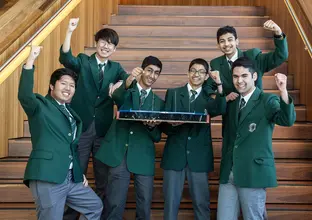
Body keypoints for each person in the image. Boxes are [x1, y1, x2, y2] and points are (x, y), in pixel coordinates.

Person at [59, 18, 133, 219]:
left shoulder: (115, 68)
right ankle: (70, 216)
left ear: (114, 49)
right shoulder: (83, 61)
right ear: (97, 42)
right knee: (76, 176)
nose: (106, 46)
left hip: (103, 131)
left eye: (111, 44)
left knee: (102, 179)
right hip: (82, 129)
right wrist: (69, 31)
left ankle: (96, 215)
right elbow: (66, 58)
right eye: (103, 41)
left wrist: (121, 85)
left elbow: (128, 84)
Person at [18, 46, 103, 220]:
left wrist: (79, 173)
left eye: (72, 85)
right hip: (47, 176)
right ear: (51, 86)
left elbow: (71, 148)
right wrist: (30, 61)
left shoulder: (72, 114)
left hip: (71, 178)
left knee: (95, 206)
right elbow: (25, 95)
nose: (68, 88)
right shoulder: (40, 106)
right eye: (63, 83)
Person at [217, 57, 296, 220]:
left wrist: (283, 92)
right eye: (235, 76)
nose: (239, 81)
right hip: (229, 173)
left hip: (253, 173)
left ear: (254, 77)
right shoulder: (233, 101)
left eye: (244, 76)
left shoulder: (267, 100)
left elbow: (287, 120)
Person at [95, 56, 164, 220]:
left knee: (144, 202)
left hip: (143, 157)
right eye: (149, 70)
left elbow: (157, 137)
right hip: (120, 154)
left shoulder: (159, 103)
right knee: (114, 202)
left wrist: (151, 126)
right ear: (141, 70)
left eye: (156, 73)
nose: (152, 76)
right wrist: (129, 79)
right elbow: (117, 97)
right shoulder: (127, 91)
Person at [161, 58, 226, 220]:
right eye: (193, 70)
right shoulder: (173, 94)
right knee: (170, 204)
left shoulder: (210, 97)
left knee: (201, 204)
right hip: (174, 156)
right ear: (188, 72)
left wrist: (219, 84)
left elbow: (222, 108)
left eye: (201, 72)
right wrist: (173, 125)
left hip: (199, 157)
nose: (196, 74)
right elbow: (164, 127)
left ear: (206, 77)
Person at [204, 20, 288, 101]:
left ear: (237, 41)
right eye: (222, 41)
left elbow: (281, 56)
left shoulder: (253, 56)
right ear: (218, 45)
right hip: (231, 112)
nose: (226, 44)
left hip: (254, 109)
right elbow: (207, 87)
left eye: (230, 40)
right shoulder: (216, 64)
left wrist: (278, 33)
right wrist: (221, 98)